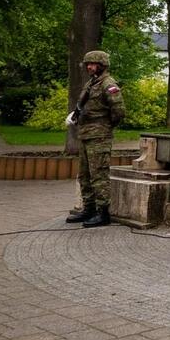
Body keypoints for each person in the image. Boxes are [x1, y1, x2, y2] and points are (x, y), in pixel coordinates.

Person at [64, 50, 125, 228]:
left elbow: (119, 111)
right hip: (86, 134)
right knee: (85, 174)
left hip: (99, 136)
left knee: (99, 174)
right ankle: (89, 209)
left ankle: (103, 213)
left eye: (92, 64)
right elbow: (86, 105)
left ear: (102, 65)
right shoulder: (92, 83)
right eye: (87, 64)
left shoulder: (108, 84)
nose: (89, 67)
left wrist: (105, 126)